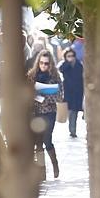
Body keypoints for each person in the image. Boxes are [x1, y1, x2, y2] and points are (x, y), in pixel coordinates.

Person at [28, 50, 63, 179]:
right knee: (37, 143)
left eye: (46, 63)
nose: (43, 65)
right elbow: (28, 95)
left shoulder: (56, 78)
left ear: (51, 64)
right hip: (35, 113)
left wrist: (40, 96)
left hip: (49, 113)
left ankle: (55, 164)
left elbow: (59, 97)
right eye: (41, 63)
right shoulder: (32, 76)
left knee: (47, 140)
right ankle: (41, 172)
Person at [58, 48, 84, 138]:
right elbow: (61, 69)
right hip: (68, 91)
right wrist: (68, 63)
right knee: (70, 112)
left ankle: (73, 130)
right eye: (68, 56)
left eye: (72, 56)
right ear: (65, 57)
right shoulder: (64, 65)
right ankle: (71, 129)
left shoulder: (79, 65)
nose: (71, 58)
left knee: (75, 112)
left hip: (77, 91)